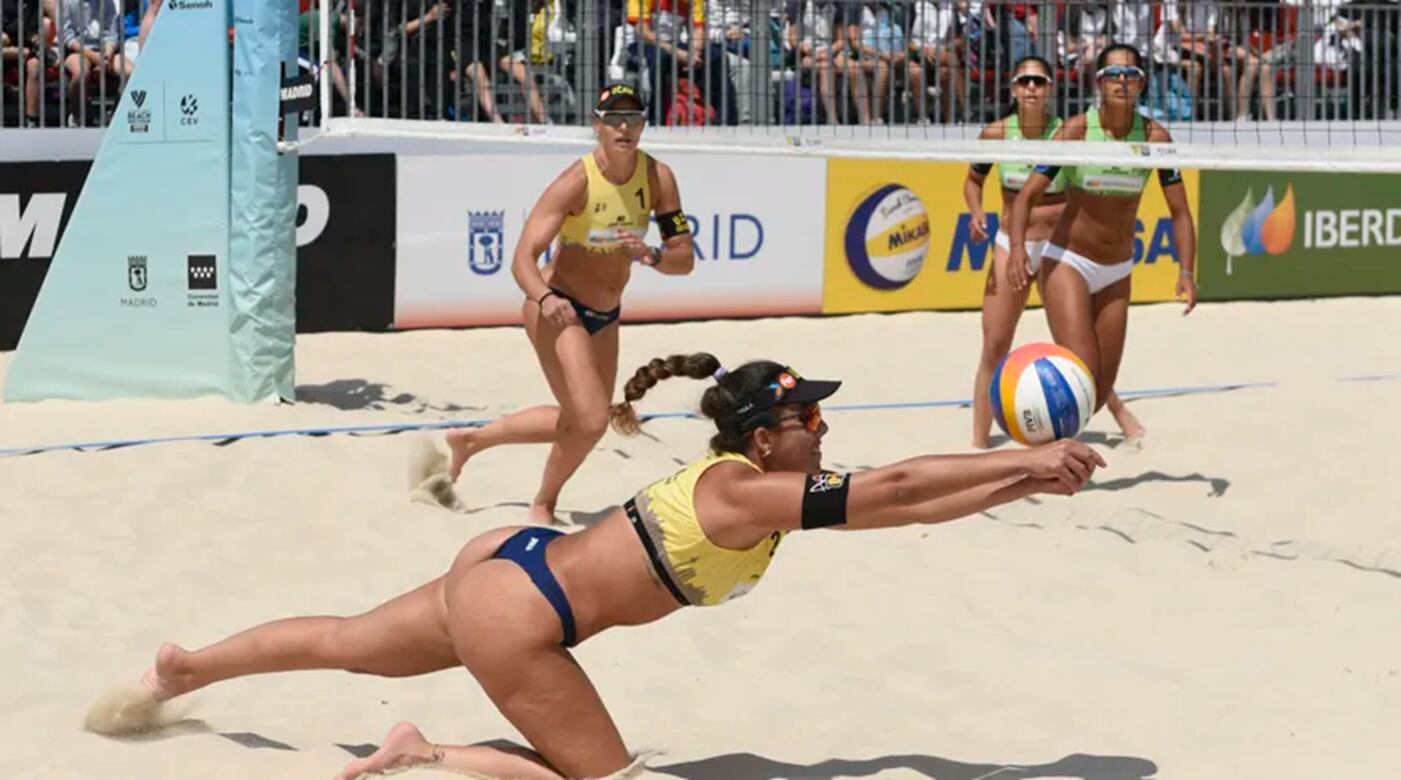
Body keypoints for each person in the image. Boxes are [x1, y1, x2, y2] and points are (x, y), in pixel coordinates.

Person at [89, 353, 1107, 779]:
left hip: (514, 563)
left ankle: (183, 670)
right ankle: (428, 757)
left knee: (352, 641)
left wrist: (1020, 486)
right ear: (763, 439)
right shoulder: (742, 493)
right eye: (808, 416)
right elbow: (891, 491)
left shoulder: (756, 491)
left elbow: (896, 506)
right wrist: (1019, 453)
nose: (824, 425)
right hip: (523, 614)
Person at [445, 83, 696, 526]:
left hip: (607, 315)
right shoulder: (575, 182)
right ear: (596, 125)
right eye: (614, 118)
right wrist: (542, 298)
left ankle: (472, 441)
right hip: (559, 306)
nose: (624, 127)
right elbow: (521, 259)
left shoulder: (659, 178)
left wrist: (652, 255)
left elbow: (685, 261)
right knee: (592, 419)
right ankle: (543, 504)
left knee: (582, 418)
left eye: (634, 118)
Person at [1005, 44, 1197, 434]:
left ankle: (1055, 435)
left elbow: (1180, 212)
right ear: (1099, 82)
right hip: (1068, 261)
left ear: (1142, 85)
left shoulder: (1155, 136)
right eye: (1113, 74)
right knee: (1082, 372)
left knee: (1101, 385)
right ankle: (1043, 443)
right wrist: (1017, 251)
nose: (1122, 81)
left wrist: (1187, 272)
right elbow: (1026, 197)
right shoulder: (1076, 131)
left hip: (1117, 270)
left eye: (1131, 75)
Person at [965, 55, 1142, 450]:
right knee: (995, 342)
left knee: (1076, 351)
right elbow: (973, 181)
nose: (1031, 88)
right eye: (1024, 81)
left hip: (1060, 248)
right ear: (1012, 89)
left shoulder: (1067, 133)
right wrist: (976, 213)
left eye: (1039, 82)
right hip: (1012, 244)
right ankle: (978, 444)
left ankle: (1118, 411)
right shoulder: (996, 134)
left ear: (1050, 90)